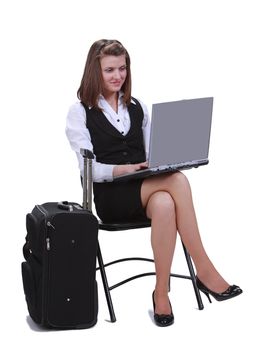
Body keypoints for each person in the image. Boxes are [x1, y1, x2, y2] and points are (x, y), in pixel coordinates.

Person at [65, 39, 242, 327]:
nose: (117, 76)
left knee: (165, 201)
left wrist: (173, 157)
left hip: (146, 192)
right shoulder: (80, 112)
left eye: (122, 68)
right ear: (94, 72)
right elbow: (90, 171)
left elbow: (153, 157)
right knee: (177, 181)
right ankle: (205, 271)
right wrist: (126, 169)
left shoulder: (137, 107)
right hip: (112, 199)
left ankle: (161, 293)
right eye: (109, 69)